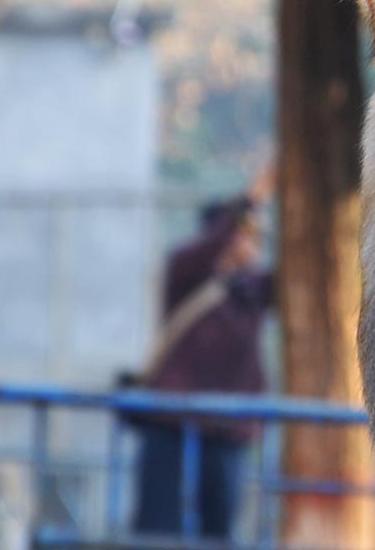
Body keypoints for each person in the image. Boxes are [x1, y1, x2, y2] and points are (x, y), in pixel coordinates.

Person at [132, 173, 274, 538]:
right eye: (243, 231)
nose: (251, 240)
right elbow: (213, 242)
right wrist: (251, 198)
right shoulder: (186, 269)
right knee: (157, 531)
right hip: (172, 423)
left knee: (219, 533)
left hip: (227, 428)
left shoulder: (252, 290)